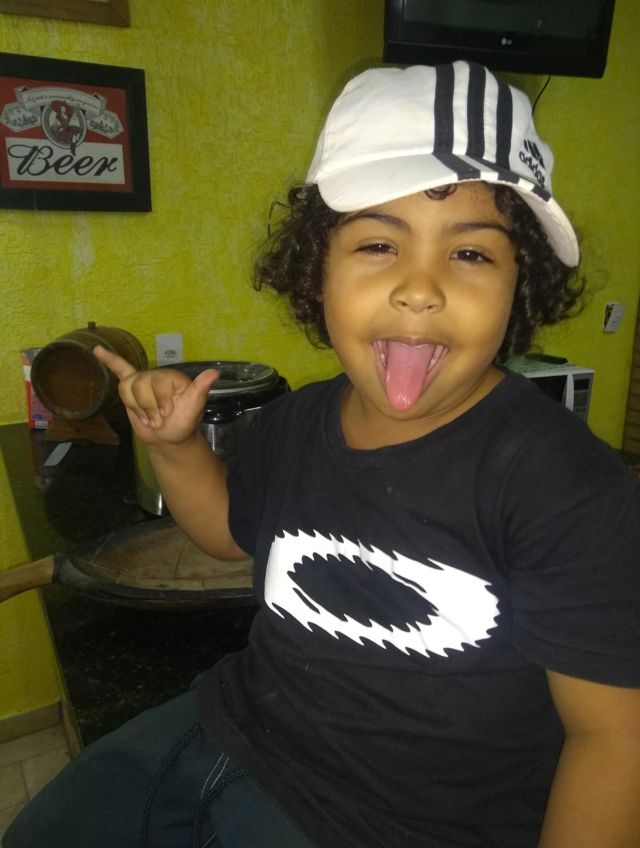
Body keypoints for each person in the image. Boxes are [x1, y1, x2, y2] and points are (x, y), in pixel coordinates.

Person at [5, 61, 640, 848]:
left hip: (390, 821)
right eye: (378, 243)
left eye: (472, 254)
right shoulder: (297, 421)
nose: (420, 288)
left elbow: (614, 737)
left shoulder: (562, 485)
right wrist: (174, 449)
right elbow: (227, 533)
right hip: (232, 728)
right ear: (317, 272)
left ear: (522, 286)